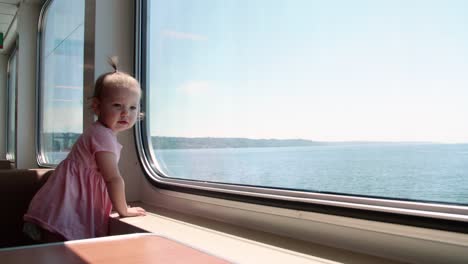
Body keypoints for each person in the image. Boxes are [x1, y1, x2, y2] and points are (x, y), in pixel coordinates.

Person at [23, 57, 146, 242]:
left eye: (132, 107)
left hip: (60, 206)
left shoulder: (101, 133)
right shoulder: (102, 135)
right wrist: (123, 210)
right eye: (117, 105)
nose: (125, 113)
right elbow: (112, 178)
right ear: (97, 106)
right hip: (64, 210)